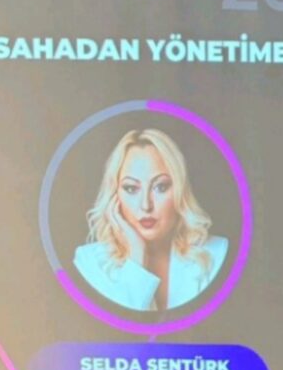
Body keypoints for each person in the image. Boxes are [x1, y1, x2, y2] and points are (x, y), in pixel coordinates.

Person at [74, 129, 228, 311]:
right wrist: (136, 257)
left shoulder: (217, 254)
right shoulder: (89, 262)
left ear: (179, 192)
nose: (146, 205)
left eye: (160, 187)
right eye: (131, 189)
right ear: (115, 197)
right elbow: (121, 326)